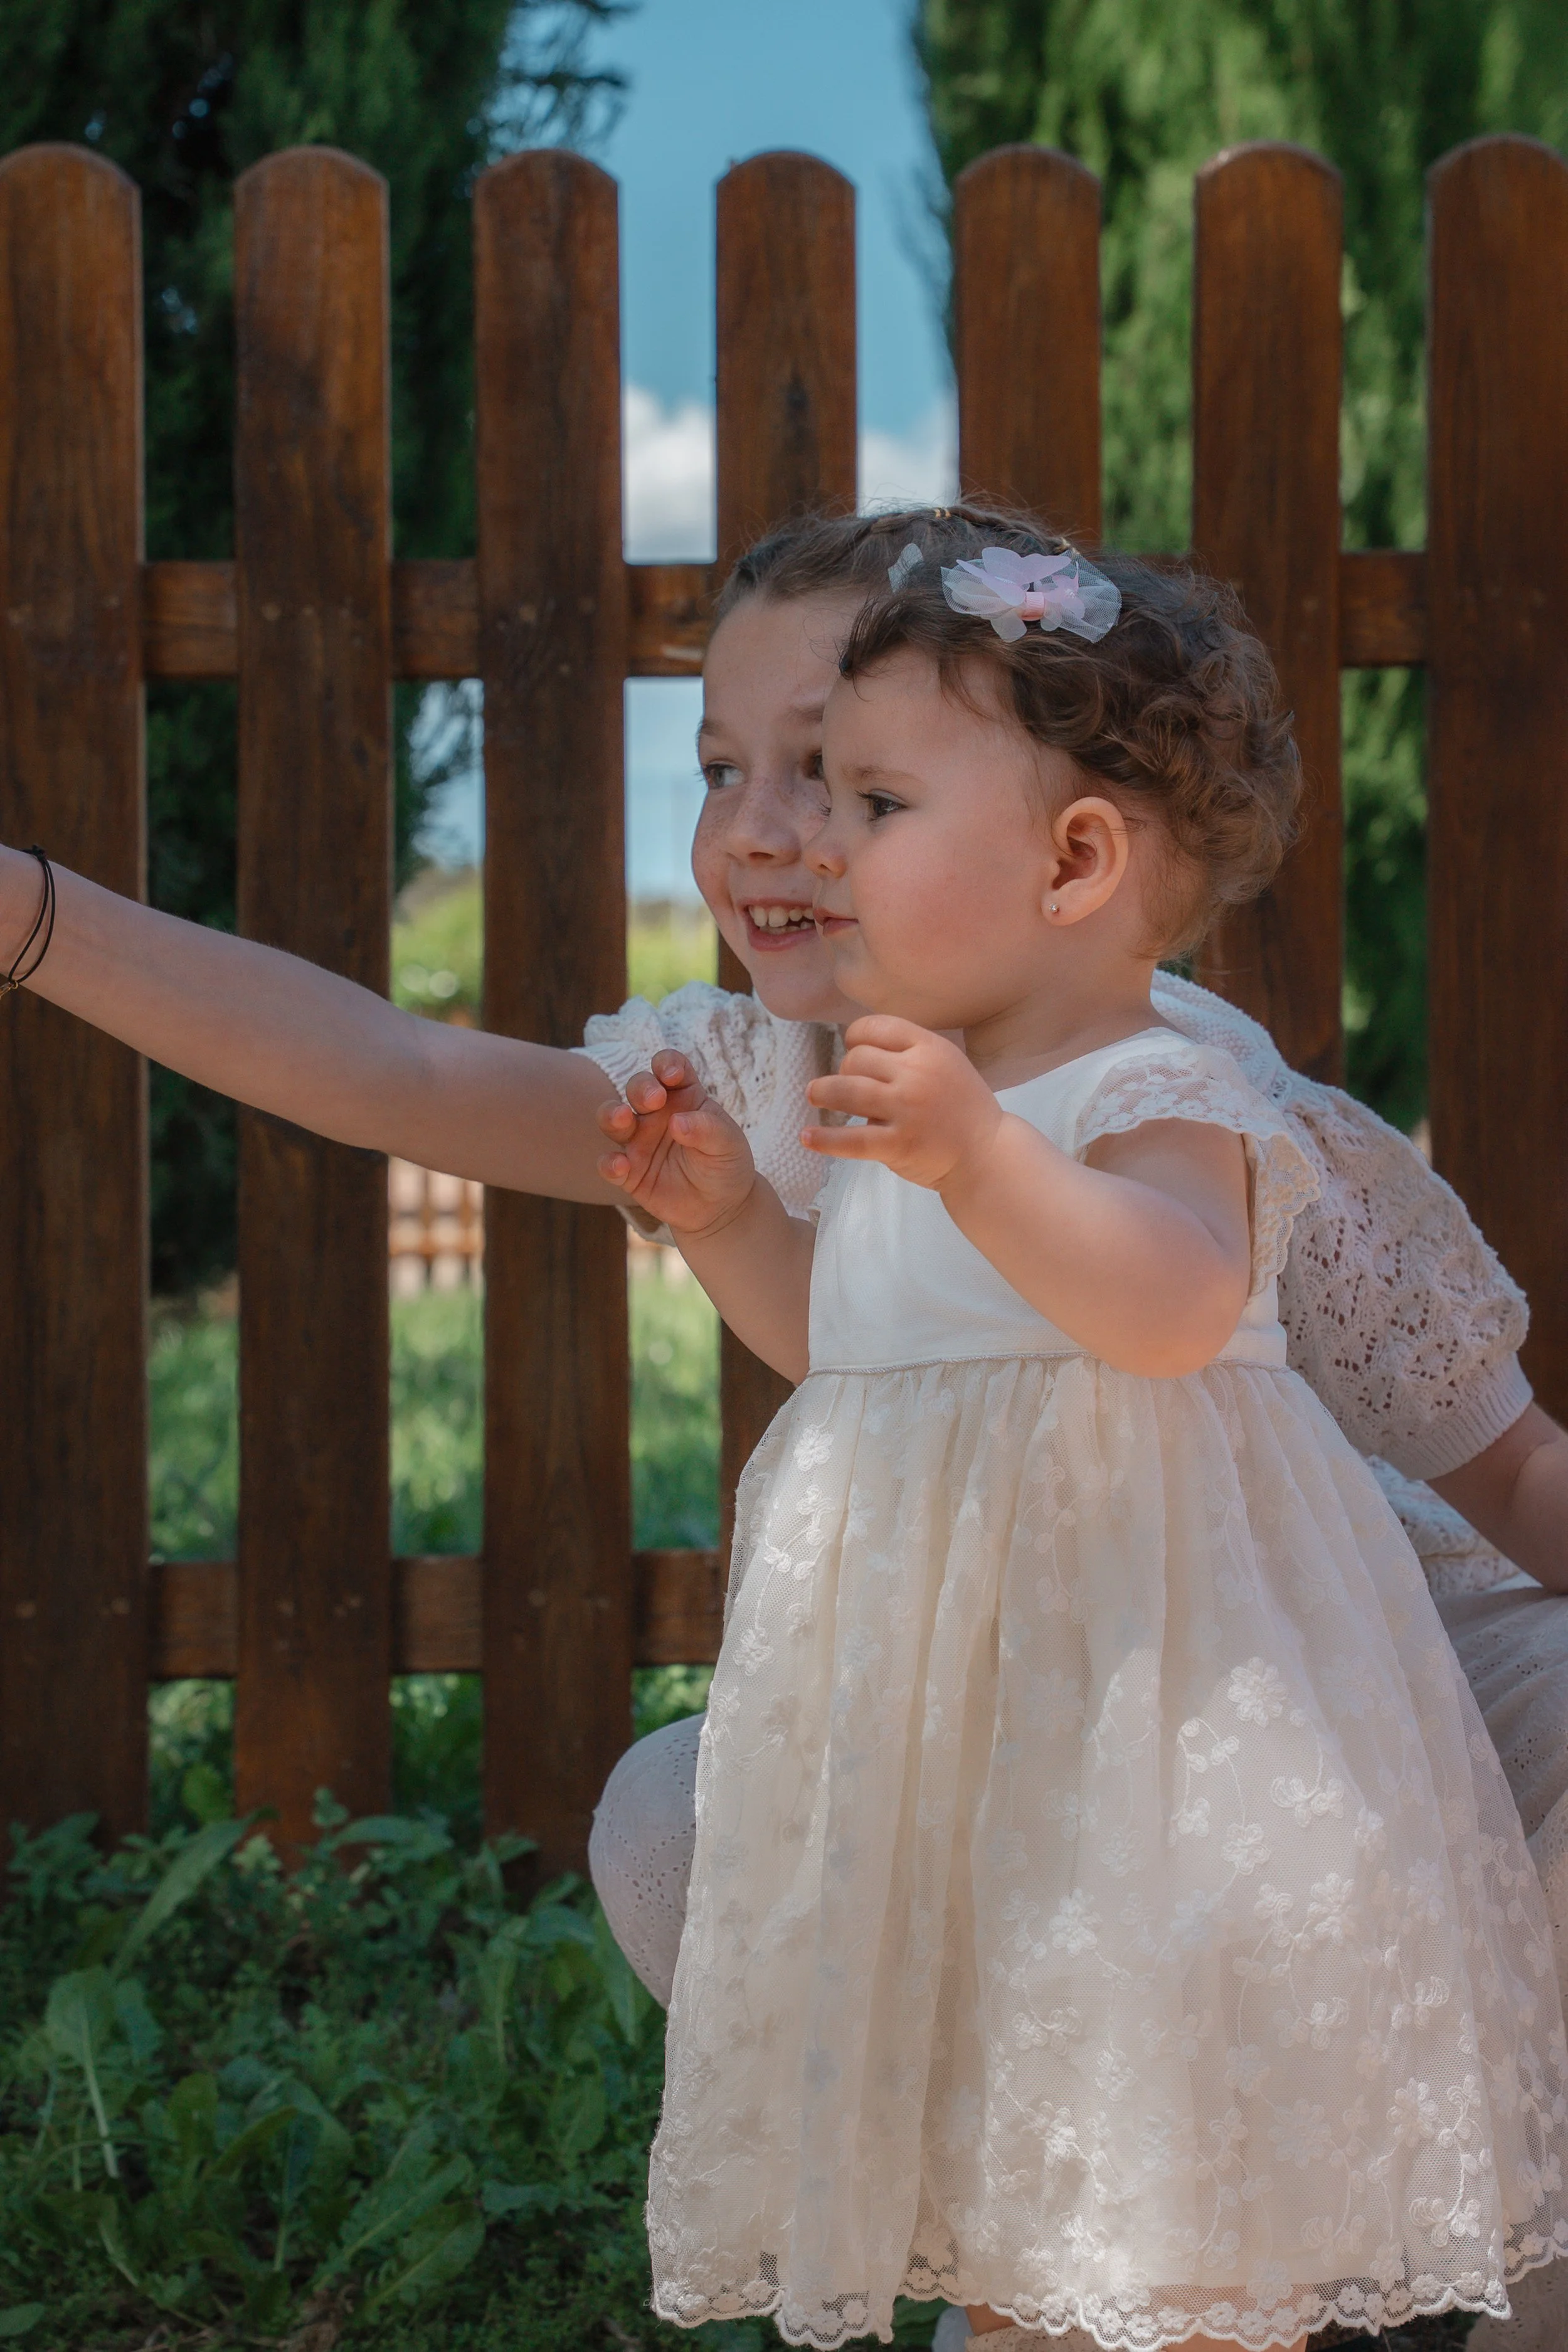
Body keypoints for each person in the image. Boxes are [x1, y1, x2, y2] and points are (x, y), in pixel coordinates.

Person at [592, 526, 1568, 2351]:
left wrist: (982, 1157)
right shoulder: (916, 1096)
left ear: (1074, 859)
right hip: (965, 1751)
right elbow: (849, 1341)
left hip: (1155, 1749)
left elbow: (1174, 1303)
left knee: (1170, 2207)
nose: (819, 839)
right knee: (1025, 2180)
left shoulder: (1153, 1091)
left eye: (876, 797)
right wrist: (730, 1218)